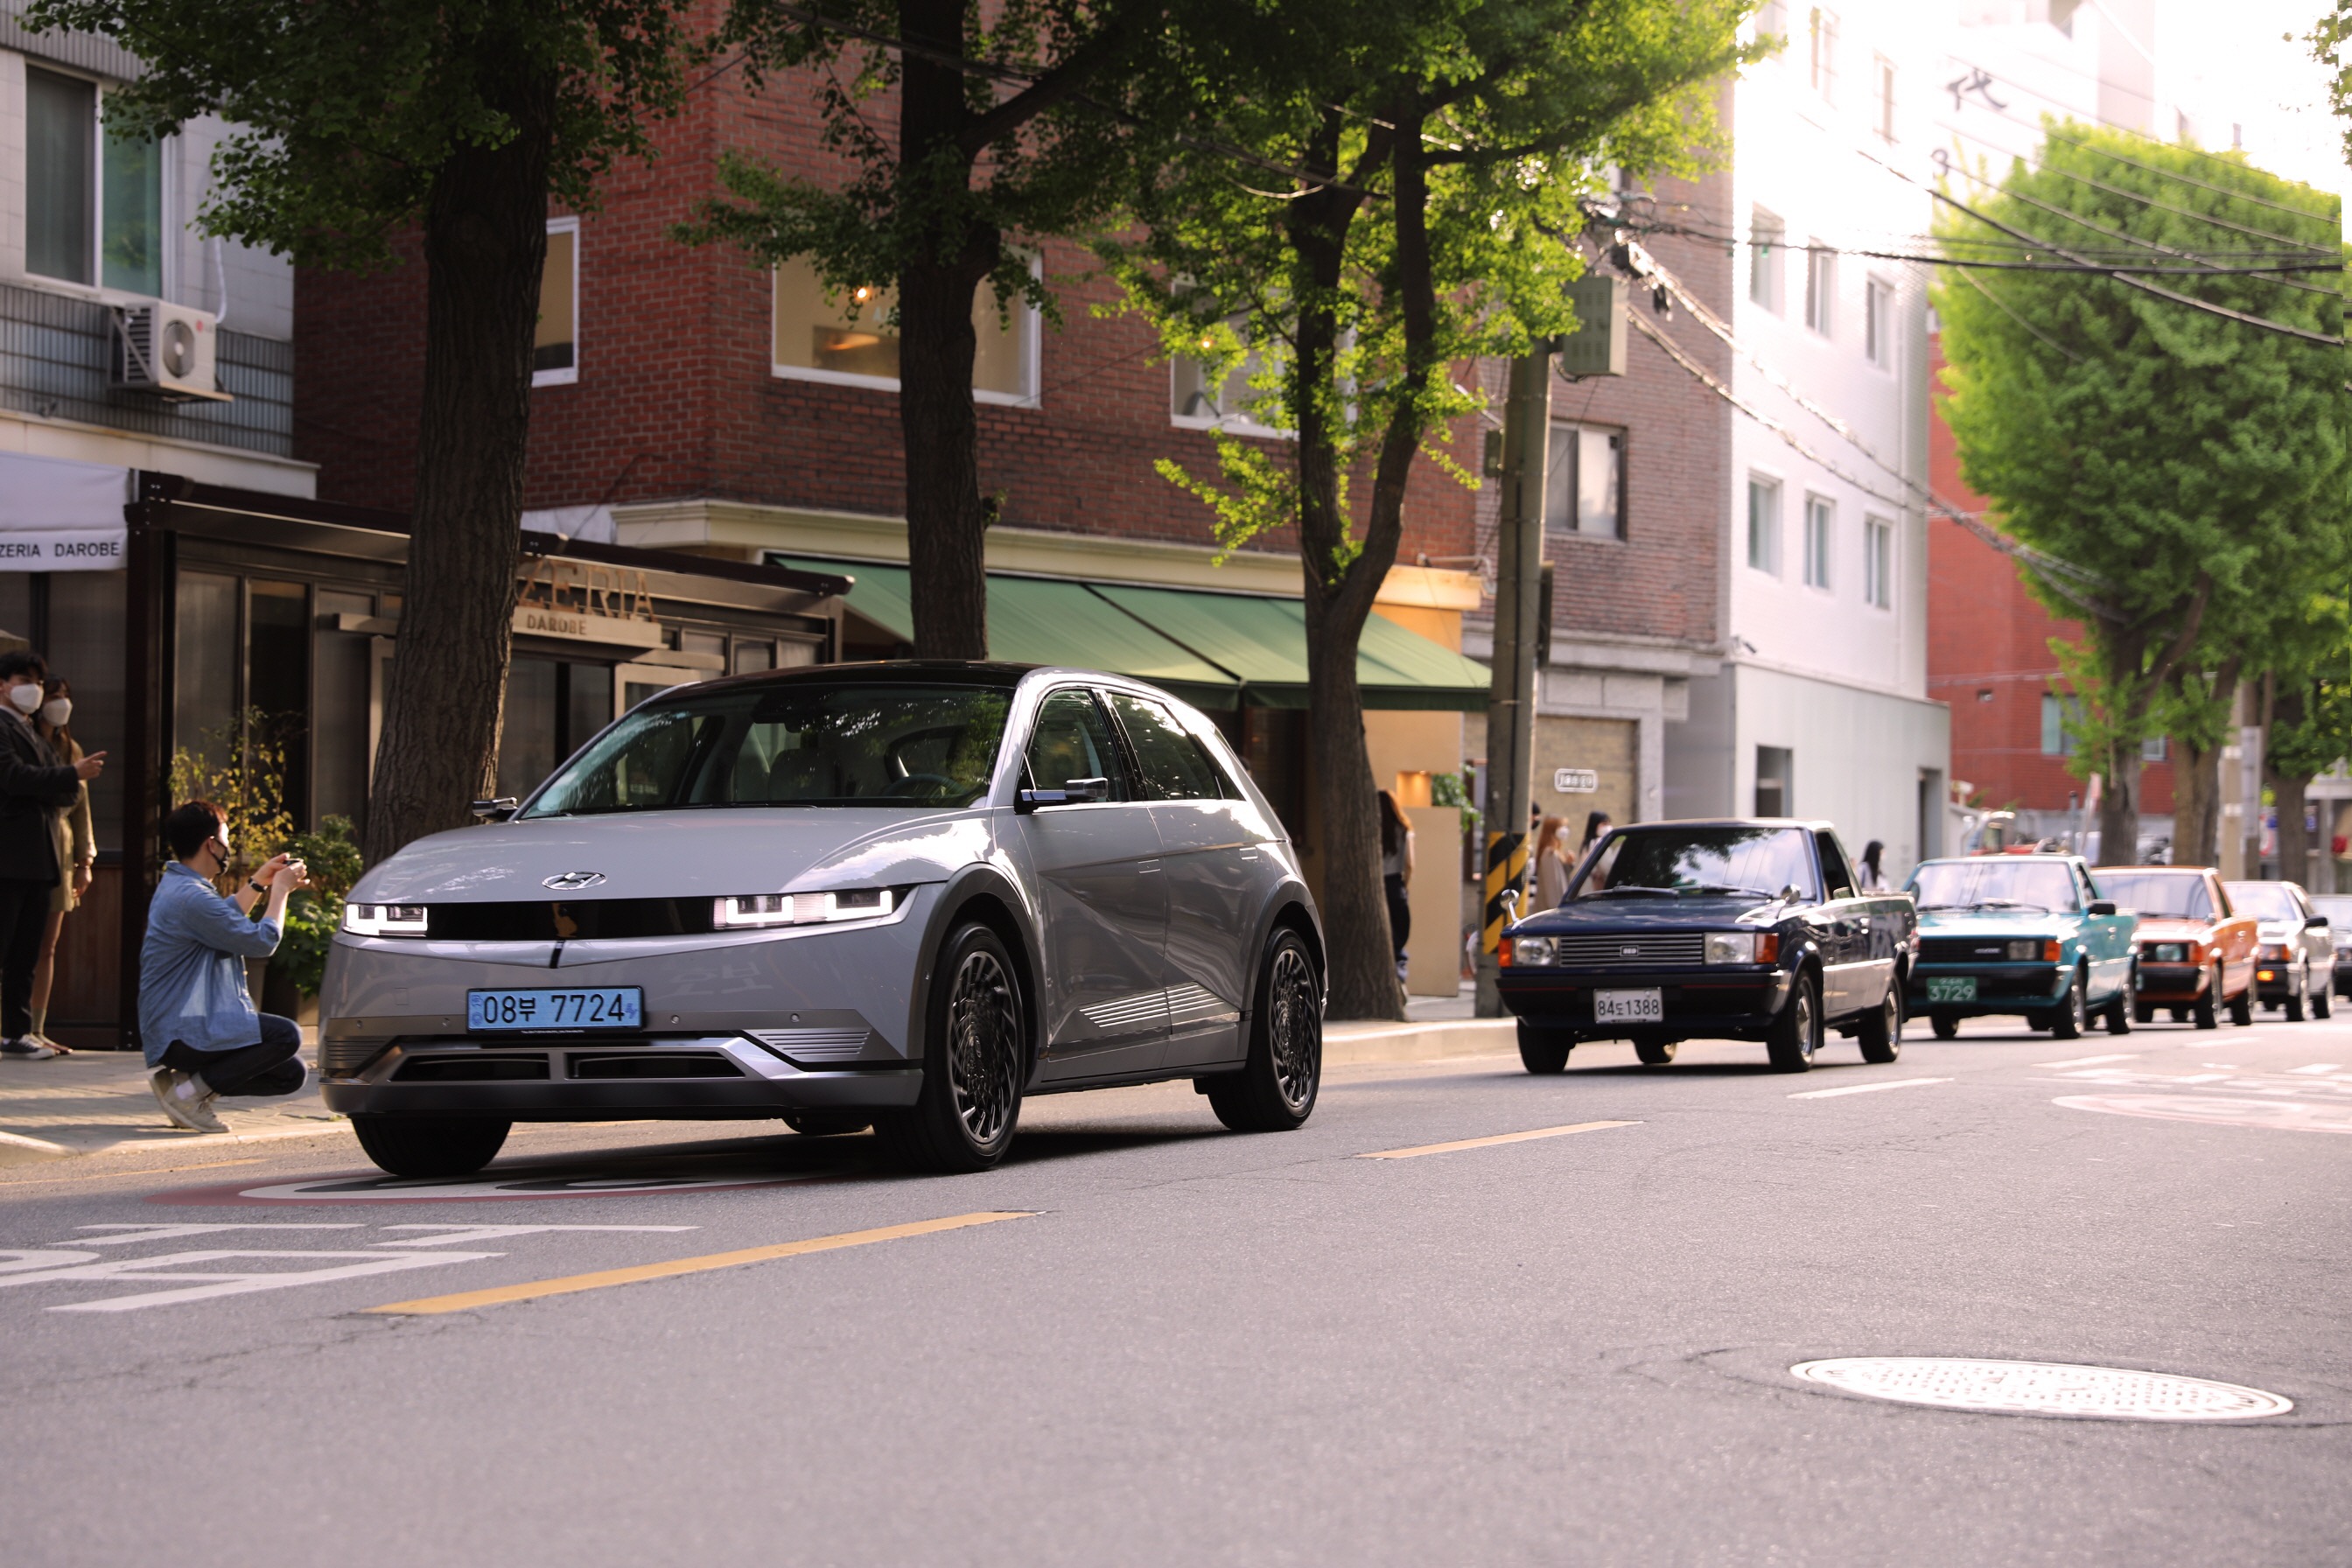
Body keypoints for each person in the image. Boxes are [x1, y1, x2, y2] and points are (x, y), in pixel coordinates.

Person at [141, 800, 309, 1133]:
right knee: (286, 1036)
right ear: (211, 844)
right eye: (226, 838)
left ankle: (185, 1084)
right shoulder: (192, 897)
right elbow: (261, 942)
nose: (229, 847)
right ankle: (188, 1096)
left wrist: (259, 882)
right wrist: (280, 891)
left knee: (291, 1073)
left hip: (176, 1026)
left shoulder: (180, 887)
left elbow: (223, 919)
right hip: (182, 1031)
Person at [0, 652, 102, 1060]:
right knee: (6, 945)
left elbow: (63, 794)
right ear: (2, 685)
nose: (34, 689)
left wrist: (61, 779)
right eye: (24, 680)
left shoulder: (32, 733)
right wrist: (69, 774)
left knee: (26, 951)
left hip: (40, 857)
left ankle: (17, 1031)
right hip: (9, 857)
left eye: (38, 682)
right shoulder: (3, 728)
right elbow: (13, 777)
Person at [28, 676, 94, 1054]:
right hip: (28, 841)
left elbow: (83, 811)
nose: (61, 703)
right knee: (16, 943)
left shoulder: (71, 749)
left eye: (66, 697)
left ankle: (37, 1026)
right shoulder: (21, 742)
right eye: (54, 697)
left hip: (62, 846)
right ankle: (14, 1024)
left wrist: (86, 861)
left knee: (48, 946)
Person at [1378, 788, 1415, 984]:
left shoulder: (1371, 831)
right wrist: (1404, 887)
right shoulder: (1404, 829)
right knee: (1398, 939)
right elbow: (1409, 864)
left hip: (1377, 886)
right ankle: (1398, 979)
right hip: (1395, 884)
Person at [1530, 814, 1571, 913]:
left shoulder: (1554, 852)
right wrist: (1558, 909)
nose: (1565, 830)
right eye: (1561, 826)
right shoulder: (1549, 853)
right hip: (1549, 911)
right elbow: (1552, 887)